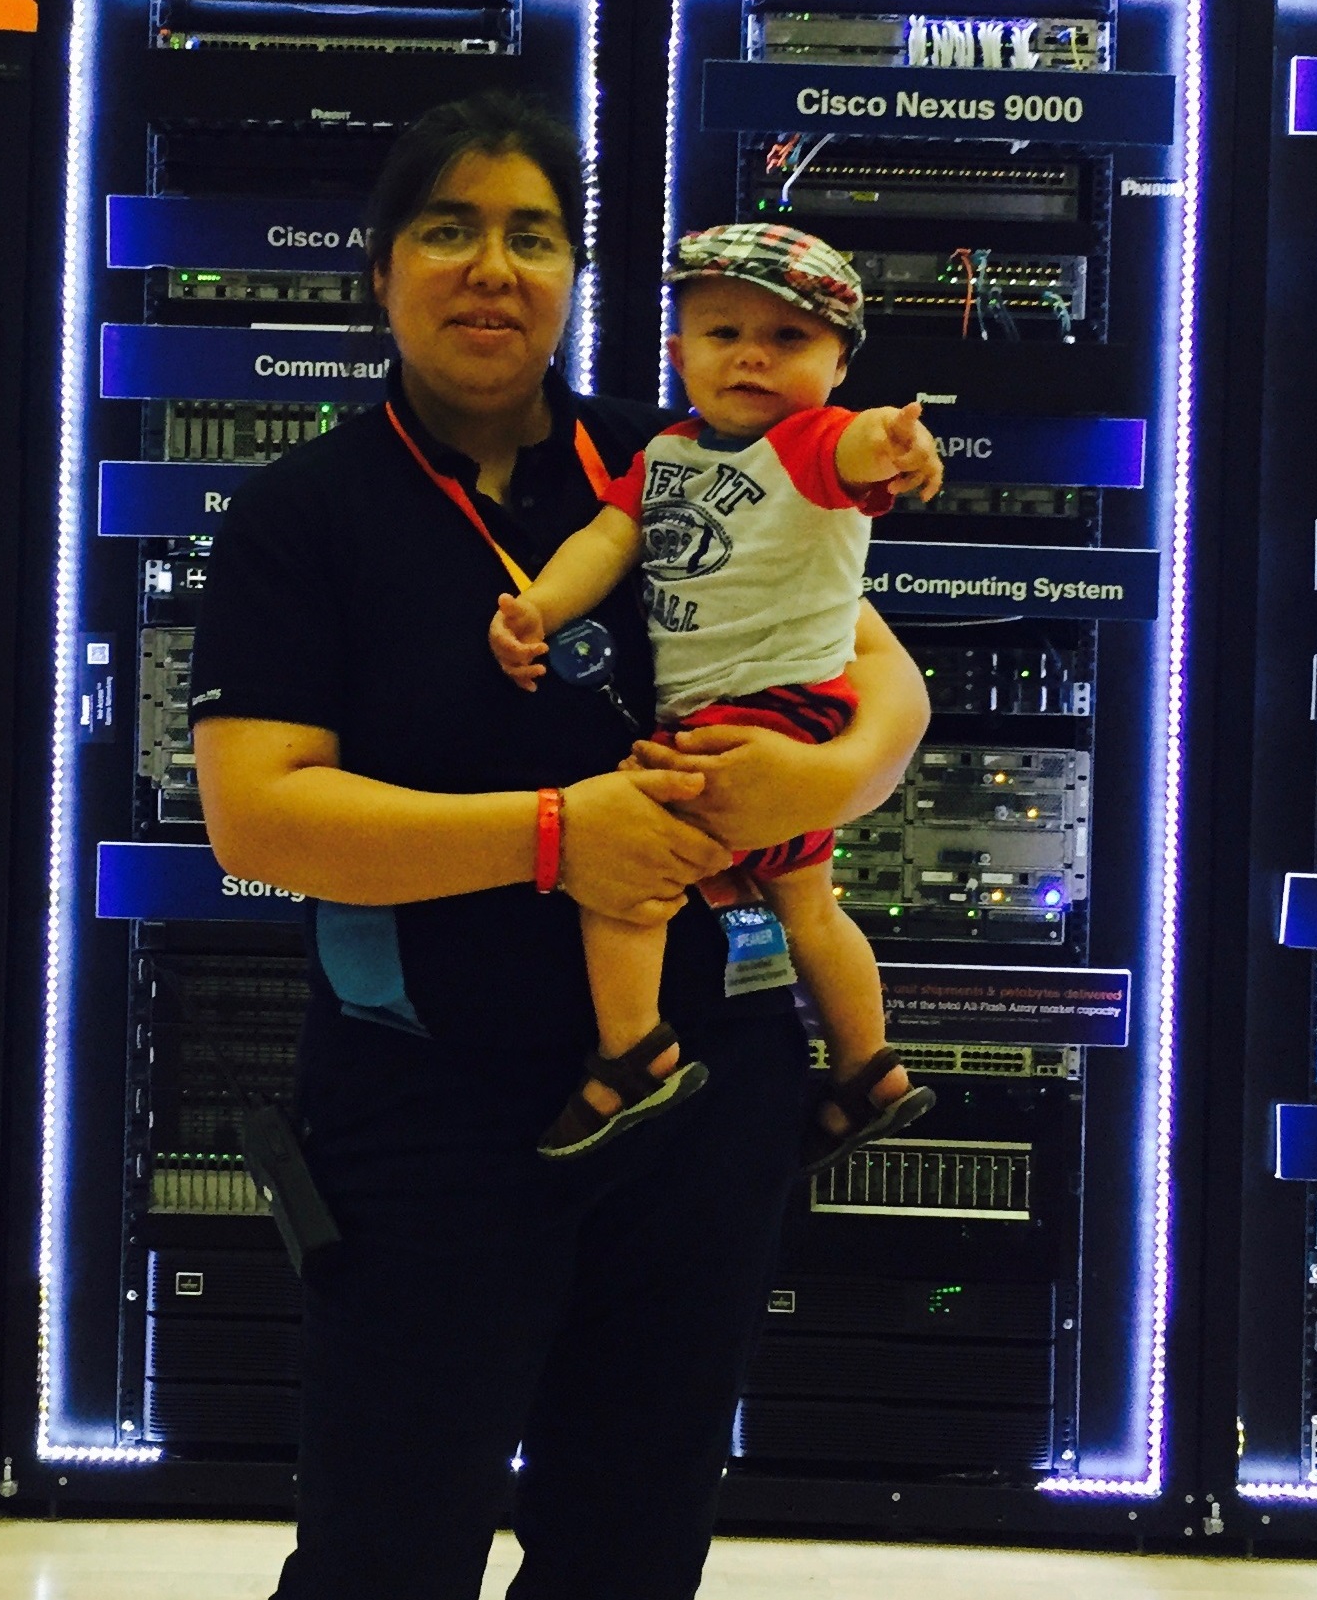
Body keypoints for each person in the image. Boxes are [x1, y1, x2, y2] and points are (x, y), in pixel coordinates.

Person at [190, 91, 930, 1600]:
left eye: (532, 235)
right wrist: (554, 838)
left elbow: (880, 679)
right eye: (447, 229)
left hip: (701, 1091)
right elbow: (256, 816)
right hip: (429, 1106)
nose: (492, 268)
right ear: (380, 269)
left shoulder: (674, 447)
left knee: (632, 1541)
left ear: (573, 278)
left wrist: (820, 774)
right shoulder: (304, 515)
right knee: (386, 1550)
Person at [487, 223, 941, 1167]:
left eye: (789, 340)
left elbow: (862, 451)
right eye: (724, 333)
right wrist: (535, 608)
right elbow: (604, 546)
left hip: (768, 709)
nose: (752, 357)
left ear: (838, 364)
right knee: (807, 909)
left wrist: (898, 443)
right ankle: (868, 1068)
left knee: (624, 876)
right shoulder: (664, 454)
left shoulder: (812, 440)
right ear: (677, 351)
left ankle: (634, 1053)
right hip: (744, 718)